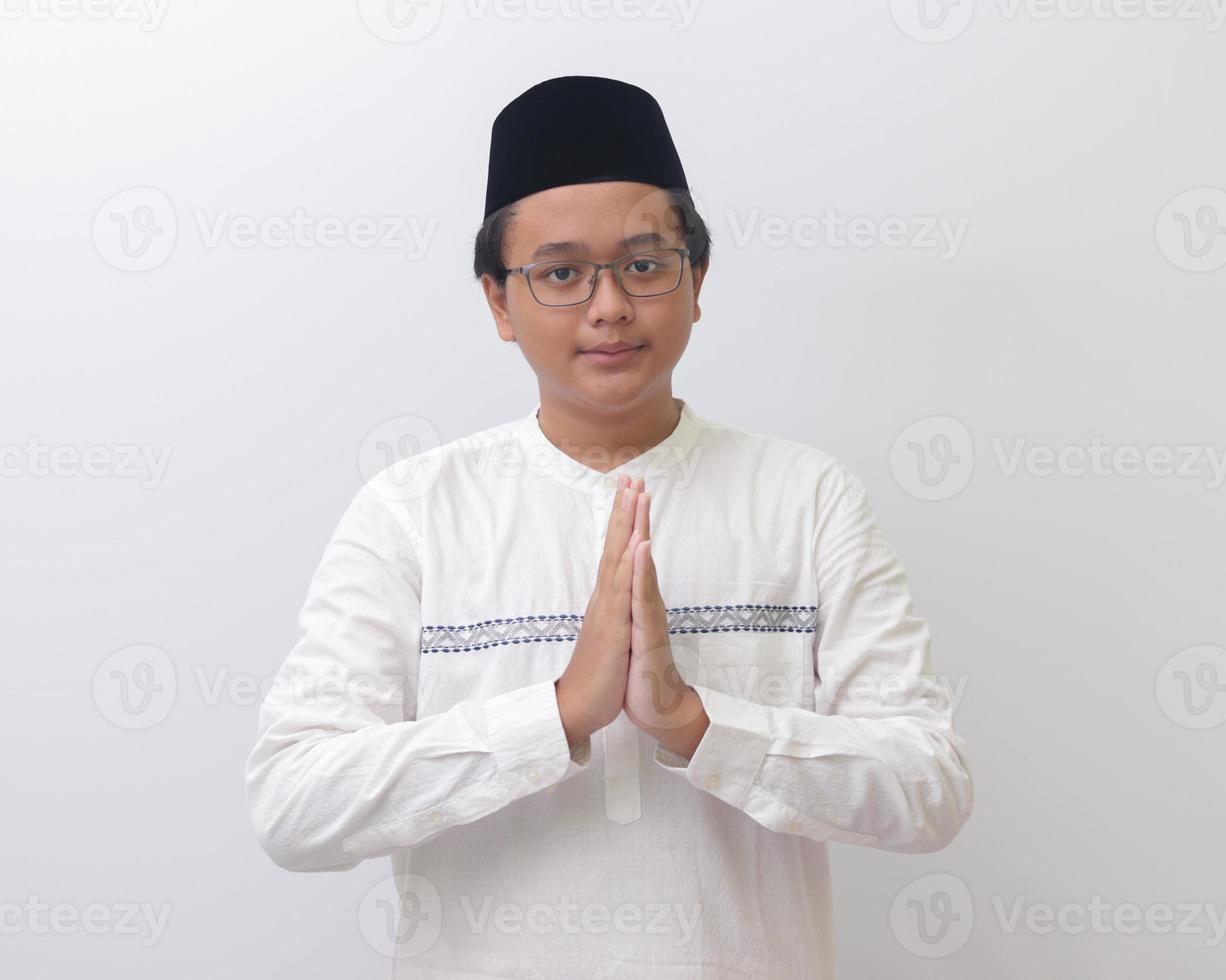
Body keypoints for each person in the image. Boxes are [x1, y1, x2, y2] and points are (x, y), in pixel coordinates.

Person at [244, 74, 973, 979]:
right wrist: (551, 717)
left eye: (643, 263)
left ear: (696, 279)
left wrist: (697, 724)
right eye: (559, 273)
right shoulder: (414, 514)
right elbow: (292, 806)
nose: (609, 307)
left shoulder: (805, 497)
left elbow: (928, 789)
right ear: (498, 303)